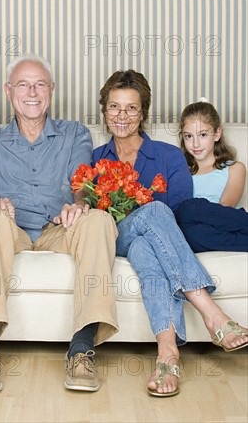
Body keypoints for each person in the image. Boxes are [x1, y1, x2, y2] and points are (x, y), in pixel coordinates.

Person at [0, 54, 118, 394]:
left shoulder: (75, 133)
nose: (32, 92)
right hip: (12, 228)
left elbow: (82, 185)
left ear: (51, 90)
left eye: (40, 84)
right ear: (8, 91)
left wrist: (78, 206)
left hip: (58, 228)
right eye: (23, 84)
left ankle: (82, 350)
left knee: (98, 220)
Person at [92, 70, 248, 397]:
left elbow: (178, 213)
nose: (122, 116)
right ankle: (211, 311)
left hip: (148, 242)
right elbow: (95, 213)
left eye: (131, 108)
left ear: (143, 112)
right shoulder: (96, 159)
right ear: (104, 111)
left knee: (148, 253)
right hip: (117, 237)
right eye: (114, 107)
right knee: (154, 211)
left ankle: (167, 355)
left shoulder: (169, 156)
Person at [175, 101, 248, 252]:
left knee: (189, 207)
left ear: (217, 134)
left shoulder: (234, 169)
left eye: (202, 135)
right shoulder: (180, 171)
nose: (195, 143)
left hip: (227, 222)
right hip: (199, 233)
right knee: (190, 232)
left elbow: (225, 207)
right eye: (189, 136)